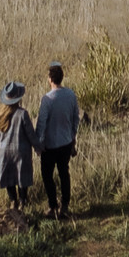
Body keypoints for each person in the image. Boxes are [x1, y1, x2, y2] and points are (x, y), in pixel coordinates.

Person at [37, 62, 80, 219]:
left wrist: (38, 144)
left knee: (47, 175)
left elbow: (41, 124)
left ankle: (52, 205)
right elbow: (76, 118)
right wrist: (73, 137)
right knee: (64, 174)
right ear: (62, 78)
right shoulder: (70, 95)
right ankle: (65, 206)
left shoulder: (47, 100)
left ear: (50, 79)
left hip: (49, 145)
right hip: (65, 142)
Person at [0, 82, 36, 217]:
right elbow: (30, 134)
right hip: (20, 151)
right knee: (22, 177)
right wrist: (38, 147)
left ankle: (12, 201)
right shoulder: (22, 114)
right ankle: (23, 202)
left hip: (5, 151)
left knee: (9, 177)